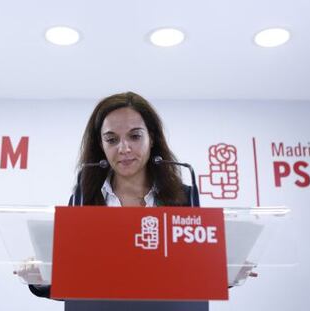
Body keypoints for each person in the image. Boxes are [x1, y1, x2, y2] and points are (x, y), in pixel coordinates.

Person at [28, 92, 206, 310]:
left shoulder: (185, 198)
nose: (124, 148)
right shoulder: (83, 199)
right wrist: (42, 279)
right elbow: (73, 285)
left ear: (152, 139)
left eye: (135, 136)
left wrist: (225, 272)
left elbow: (196, 275)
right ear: (100, 145)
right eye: (112, 139)